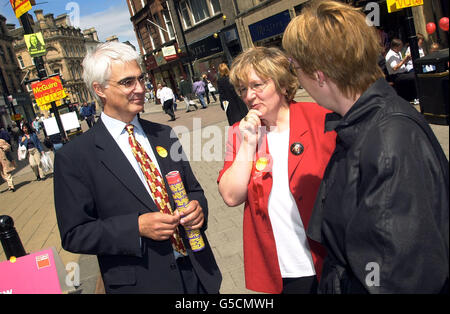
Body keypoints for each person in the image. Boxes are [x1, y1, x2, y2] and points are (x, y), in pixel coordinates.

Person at [283, 0, 449, 294]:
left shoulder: (387, 140)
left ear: (319, 75)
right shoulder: (358, 123)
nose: (297, 79)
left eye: (295, 68)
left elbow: (399, 278)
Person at [53, 41, 221, 294]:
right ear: (99, 89)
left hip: (198, 275)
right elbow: (75, 233)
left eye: (141, 79)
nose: (141, 89)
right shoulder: (75, 157)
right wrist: (136, 227)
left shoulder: (163, 134)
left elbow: (194, 190)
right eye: (127, 82)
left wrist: (199, 209)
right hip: (143, 282)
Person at [217, 47, 336, 294]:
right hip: (283, 269)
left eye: (257, 85)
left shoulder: (321, 119)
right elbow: (231, 196)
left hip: (329, 258)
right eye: (242, 89)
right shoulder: (240, 132)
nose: (249, 96)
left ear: (282, 84)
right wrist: (249, 143)